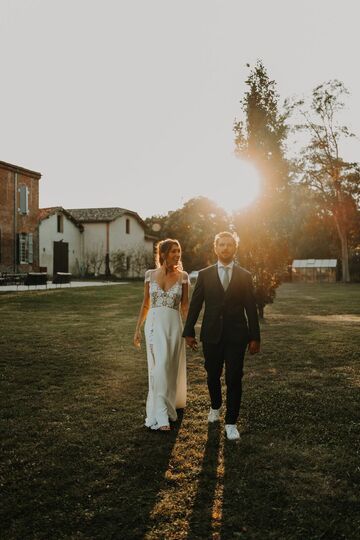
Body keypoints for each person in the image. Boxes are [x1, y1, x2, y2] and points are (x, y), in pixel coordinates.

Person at [183, 231, 260, 441]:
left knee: (234, 377)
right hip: (211, 335)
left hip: (237, 335)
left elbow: (251, 308)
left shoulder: (244, 275)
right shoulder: (205, 274)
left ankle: (231, 423)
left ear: (235, 248)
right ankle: (215, 406)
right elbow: (196, 305)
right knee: (212, 375)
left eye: (229, 245)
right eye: (222, 245)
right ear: (215, 248)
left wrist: (255, 337)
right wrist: (188, 331)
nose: (225, 248)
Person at [134, 239, 189, 431]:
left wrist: (189, 330)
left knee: (168, 367)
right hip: (154, 325)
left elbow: (185, 305)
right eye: (173, 251)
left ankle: (166, 405)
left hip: (174, 326)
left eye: (179, 251)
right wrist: (137, 329)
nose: (177, 255)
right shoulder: (149, 275)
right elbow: (146, 304)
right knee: (158, 367)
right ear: (163, 254)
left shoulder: (183, 276)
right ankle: (161, 414)